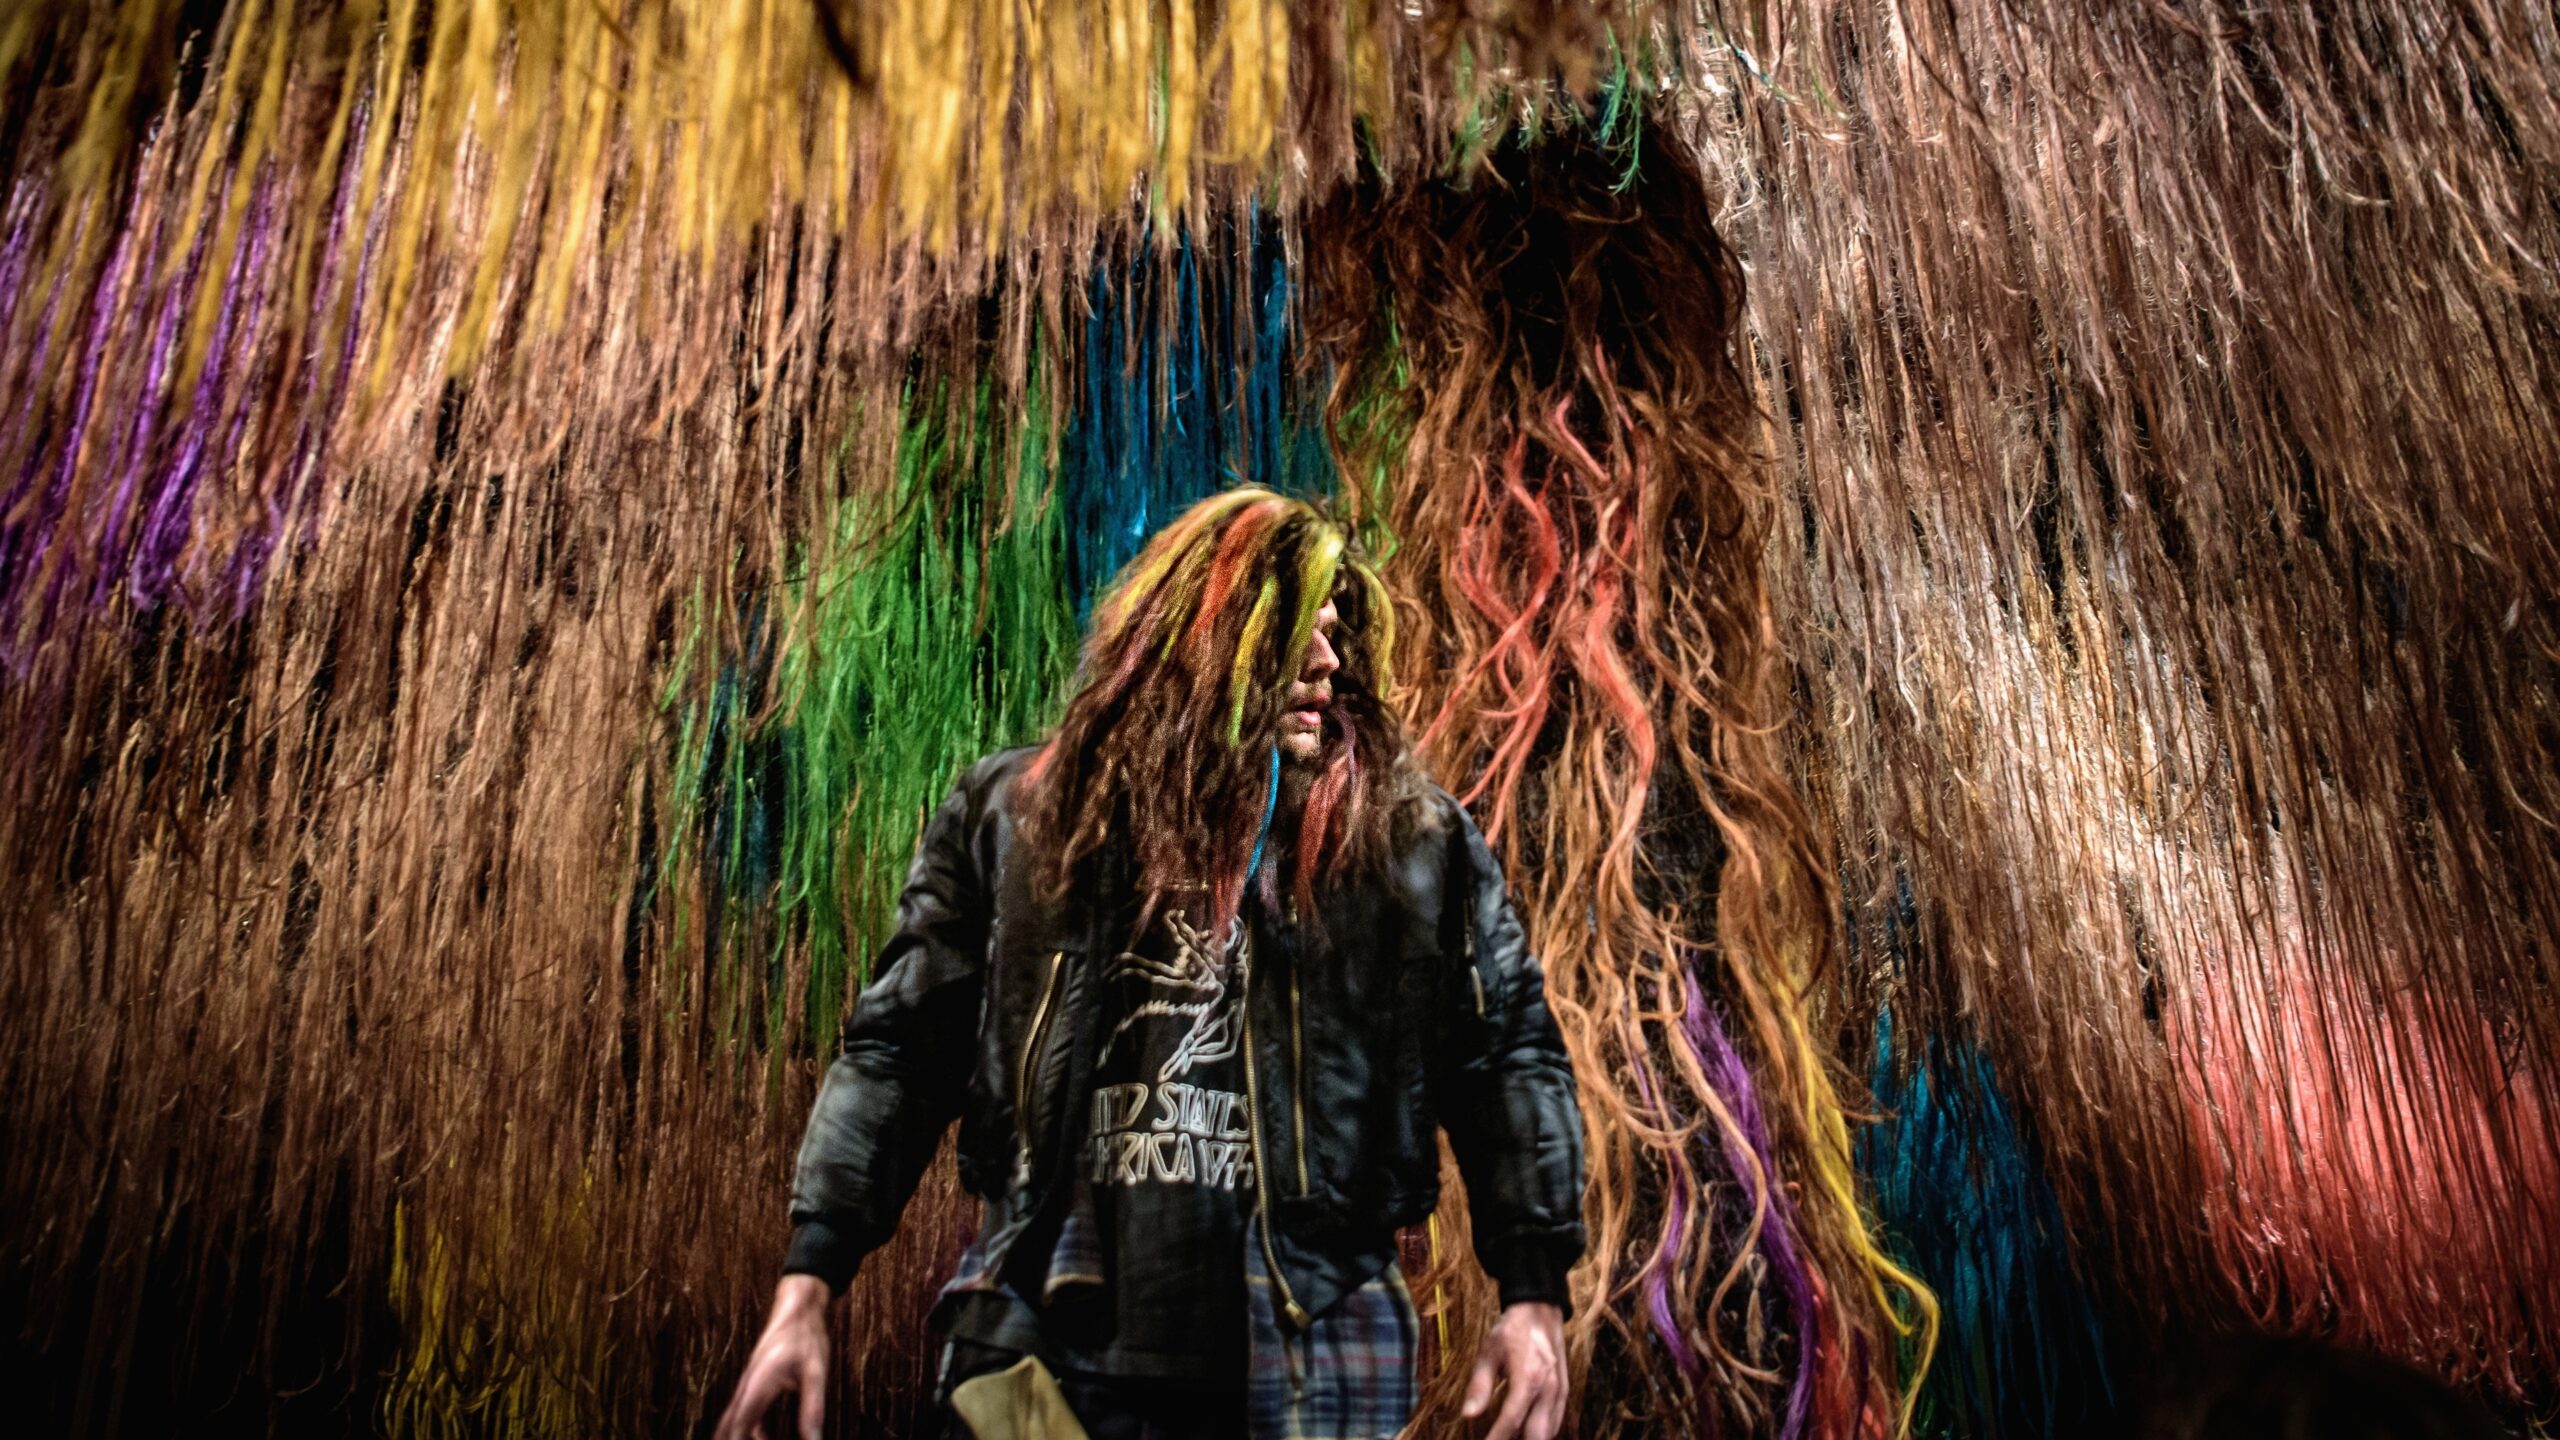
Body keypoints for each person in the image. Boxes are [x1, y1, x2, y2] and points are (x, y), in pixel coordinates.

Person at [715, 489, 1587, 1440]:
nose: (1327, 661)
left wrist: (1533, 1291)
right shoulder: (1022, 819)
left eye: (1336, 631)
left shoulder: (1409, 844)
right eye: (1294, 626)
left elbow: (1508, 1056)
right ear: (1194, 632)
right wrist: (808, 1285)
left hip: (1313, 1346)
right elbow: (899, 1051)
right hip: (1048, 1345)